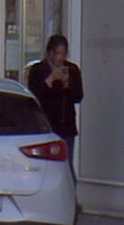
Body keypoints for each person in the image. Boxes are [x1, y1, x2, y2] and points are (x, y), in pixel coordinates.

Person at [25, 34, 85, 165]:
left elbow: (78, 96)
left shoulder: (72, 70)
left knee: (66, 164)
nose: (60, 58)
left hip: (66, 126)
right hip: (45, 125)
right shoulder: (38, 70)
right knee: (45, 163)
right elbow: (35, 96)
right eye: (57, 53)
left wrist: (67, 84)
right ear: (50, 52)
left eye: (63, 54)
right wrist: (50, 80)